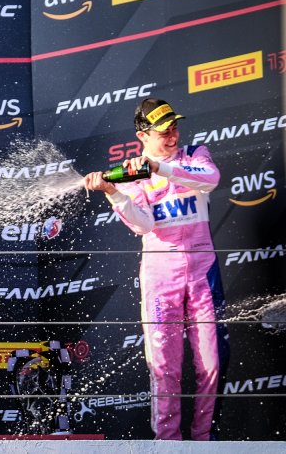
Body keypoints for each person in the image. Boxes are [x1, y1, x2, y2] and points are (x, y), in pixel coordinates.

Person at [83, 98, 229, 441]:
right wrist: (112, 192)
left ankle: (204, 440)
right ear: (142, 135)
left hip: (203, 274)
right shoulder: (130, 173)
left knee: (212, 363)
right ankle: (168, 444)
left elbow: (211, 180)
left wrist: (159, 167)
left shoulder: (195, 155)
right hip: (161, 279)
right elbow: (143, 225)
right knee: (164, 367)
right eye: (164, 132)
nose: (173, 136)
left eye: (174, 128)